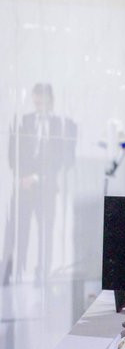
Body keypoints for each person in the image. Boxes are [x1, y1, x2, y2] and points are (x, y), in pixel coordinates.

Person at [2, 84, 76, 284]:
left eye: (43, 97)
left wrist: (37, 177)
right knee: (15, 229)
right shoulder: (22, 121)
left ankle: (42, 274)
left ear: (50, 99)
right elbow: (12, 153)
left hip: (46, 188)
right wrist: (23, 176)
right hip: (23, 186)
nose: (39, 101)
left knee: (46, 232)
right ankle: (7, 271)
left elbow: (64, 159)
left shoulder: (62, 125)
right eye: (36, 97)